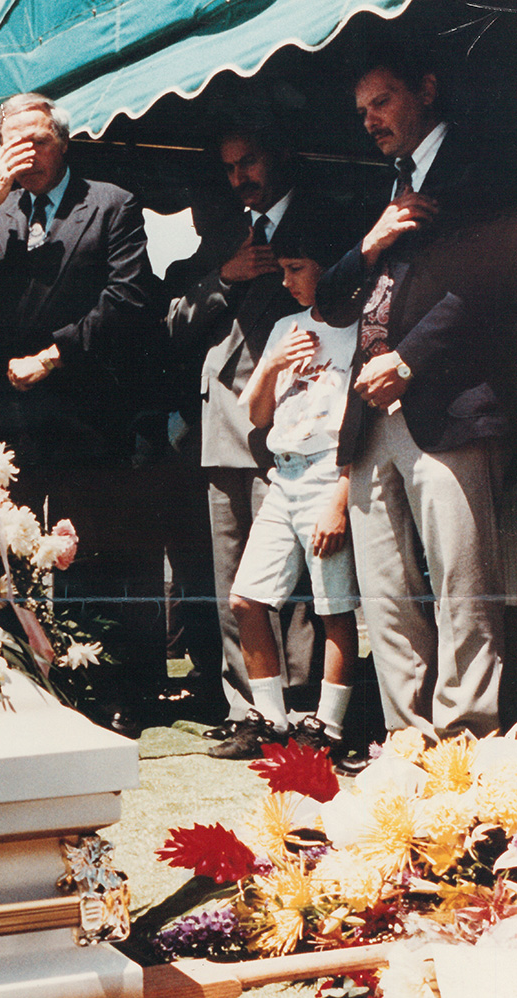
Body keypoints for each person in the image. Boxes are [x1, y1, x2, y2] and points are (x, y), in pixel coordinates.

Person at [0, 92, 160, 731]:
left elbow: (129, 298)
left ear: (63, 143)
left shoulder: (110, 204)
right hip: (10, 415)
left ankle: (108, 691)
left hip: (85, 408)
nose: (23, 153)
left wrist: (55, 356)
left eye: (35, 140)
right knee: (18, 555)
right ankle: (32, 691)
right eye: (11, 143)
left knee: (89, 555)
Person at [316, 45, 513, 739]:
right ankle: (408, 746)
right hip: (369, 422)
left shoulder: (484, 166)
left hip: (449, 407)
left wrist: (410, 359)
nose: (370, 121)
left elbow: (489, 282)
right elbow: (327, 302)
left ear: (426, 89)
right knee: (387, 597)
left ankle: (469, 750)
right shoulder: (385, 190)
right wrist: (366, 246)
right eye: (362, 110)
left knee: (464, 592)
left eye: (383, 102)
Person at [167, 127, 318, 741]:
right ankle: (249, 710)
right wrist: (225, 276)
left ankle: (305, 709)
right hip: (223, 428)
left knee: (296, 579)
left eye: (249, 162)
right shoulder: (223, 239)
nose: (240, 178)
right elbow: (175, 322)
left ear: (278, 154)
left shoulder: (320, 221)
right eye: (229, 168)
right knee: (235, 577)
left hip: (291, 423)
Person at [209, 219, 360, 759]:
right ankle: (270, 718)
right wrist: (272, 363)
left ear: (332, 269)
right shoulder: (286, 327)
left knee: (333, 604)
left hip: (329, 472)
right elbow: (255, 413)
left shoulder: (359, 331)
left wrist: (340, 499)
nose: (288, 280)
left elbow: (362, 426)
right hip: (284, 472)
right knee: (247, 599)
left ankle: (331, 727)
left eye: (298, 269)